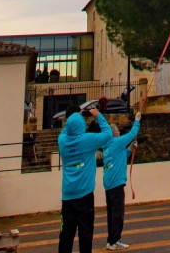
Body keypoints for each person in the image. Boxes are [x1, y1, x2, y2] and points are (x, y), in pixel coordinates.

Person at [57, 101, 105, 253]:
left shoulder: (62, 141)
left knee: (66, 233)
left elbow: (66, 130)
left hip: (68, 196)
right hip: (85, 195)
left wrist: (72, 117)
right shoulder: (87, 140)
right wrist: (98, 116)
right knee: (85, 233)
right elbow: (108, 134)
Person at [102, 108, 141, 250]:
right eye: (117, 130)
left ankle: (110, 240)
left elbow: (121, 156)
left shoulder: (108, 147)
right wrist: (137, 121)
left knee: (112, 214)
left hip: (108, 184)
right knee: (118, 214)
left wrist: (130, 148)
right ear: (113, 133)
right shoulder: (116, 142)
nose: (119, 132)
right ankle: (115, 240)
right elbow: (132, 134)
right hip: (116, 184)